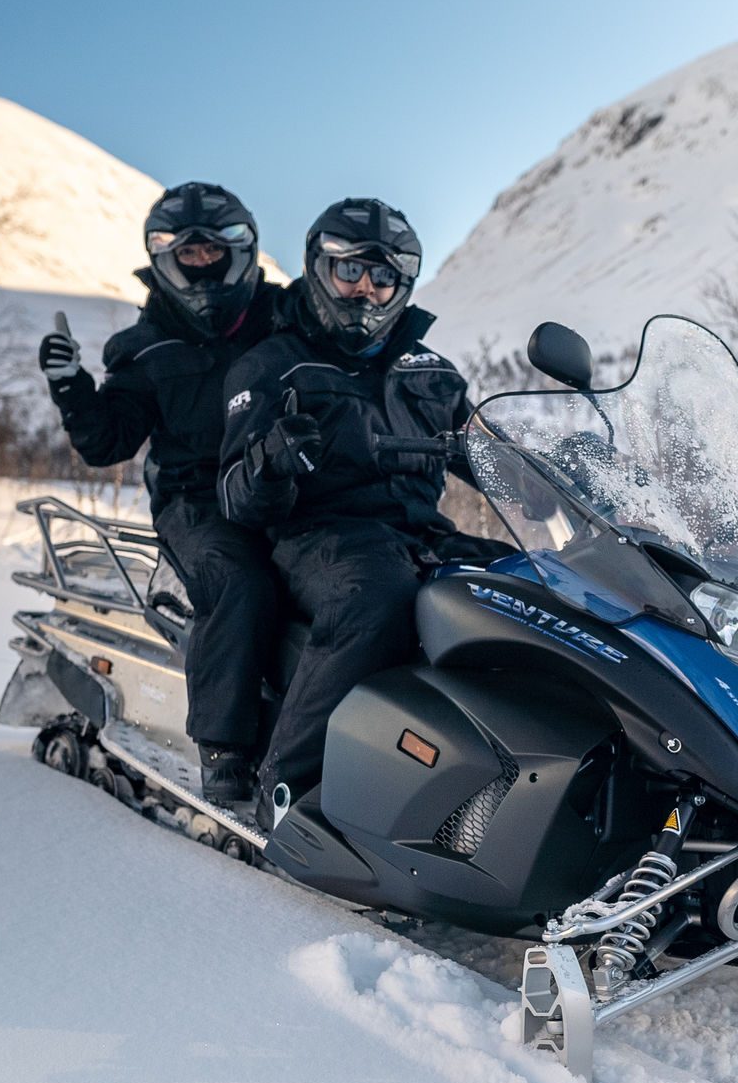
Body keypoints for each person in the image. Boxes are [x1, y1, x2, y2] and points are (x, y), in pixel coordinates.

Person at [217, 197, 478, 826]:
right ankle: (287, 786)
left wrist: (561, 464)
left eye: (383, 276)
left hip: (420, 533)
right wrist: (271, 463)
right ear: (318, 270)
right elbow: (232, 493)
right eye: (350, 272)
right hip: (319, 535)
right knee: (375, 597)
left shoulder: (431, 372)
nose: (367, 290)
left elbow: (489, 452)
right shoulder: (274, 365)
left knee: (526, 586)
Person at [38, 181, 281, 812]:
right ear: (165, 259)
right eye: (186, 254)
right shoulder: (147, 348)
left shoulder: (285, 317)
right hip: (197, 501)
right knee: (238, 579)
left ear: (239, 252)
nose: (200, 265)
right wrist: (73, 391)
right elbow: (108, 441)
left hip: (287, 485)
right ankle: (225, 751)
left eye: (211, 252)